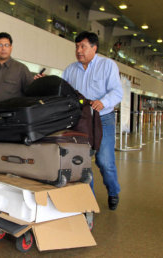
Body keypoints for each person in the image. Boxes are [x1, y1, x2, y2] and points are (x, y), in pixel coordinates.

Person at [62, 31, 123, 210]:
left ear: (94, 48)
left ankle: (113, 191)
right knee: (82, 161)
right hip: (80, 120)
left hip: (103, 119)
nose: (79, 50)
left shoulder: (107, 65)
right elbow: (62, 91)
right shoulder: (70, 70)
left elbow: (117, 92)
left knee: (105, 161)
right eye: (77, 47)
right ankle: (89, 200)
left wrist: (103, 102)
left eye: (83, 46)